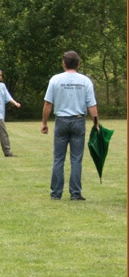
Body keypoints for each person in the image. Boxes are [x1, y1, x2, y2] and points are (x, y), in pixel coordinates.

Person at [41, 51, 99, 201]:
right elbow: (91, 105)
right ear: (78, 64)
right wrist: (96, 123)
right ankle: (75, 193)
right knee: (76, 159)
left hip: (61, 120)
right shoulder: (85, 81)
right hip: (78, 121)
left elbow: (48, 103)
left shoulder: (55, 79)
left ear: (64, 63)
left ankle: (56, 193)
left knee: (58, 158)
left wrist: (45, 123)